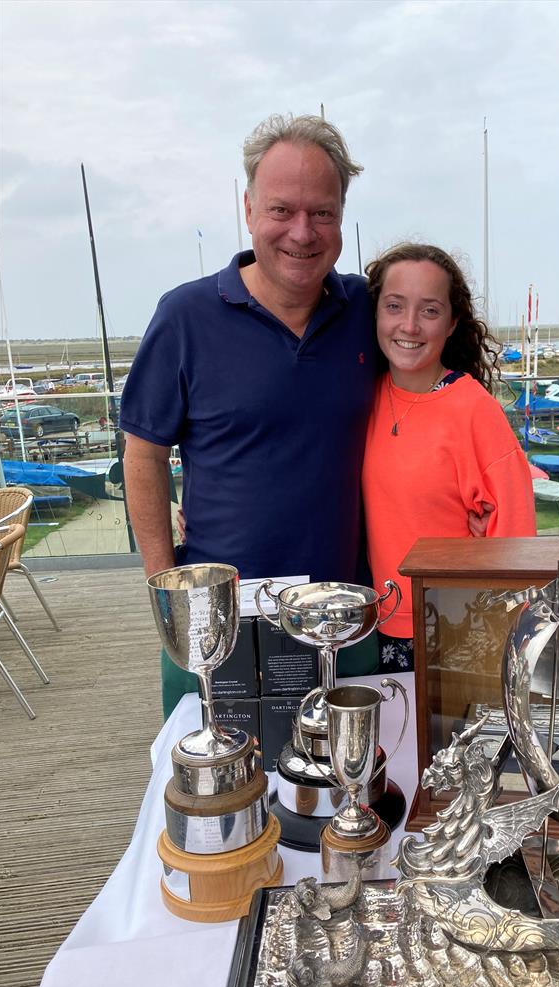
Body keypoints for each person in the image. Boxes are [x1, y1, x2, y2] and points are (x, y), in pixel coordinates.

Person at [120, 114, 377, 715]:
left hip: (345, 615)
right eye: (282, 210)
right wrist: (166, 593)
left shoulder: (367, 307)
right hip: (221, 623)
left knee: (346, 788)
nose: (302, 232)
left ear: (343, 215)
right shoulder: (185, 316)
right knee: (219, 797)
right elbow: (143, 454)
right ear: (249, 208)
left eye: (323, 213)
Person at [362, 243, 537, 669]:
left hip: (454, 628)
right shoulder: (364, 392)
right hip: (374, 622)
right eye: (395, 306)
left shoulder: (474, 409)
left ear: (452, 322)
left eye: (429, 310)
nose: (409, 325)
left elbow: (515, 536)